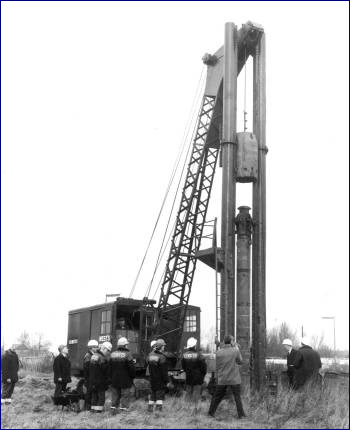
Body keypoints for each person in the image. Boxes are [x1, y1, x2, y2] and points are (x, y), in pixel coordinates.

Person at [208, 335, 246, 419]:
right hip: (234, 379)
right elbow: (240, 362)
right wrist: (237, 348)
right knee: (237, 397)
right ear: (231, 341)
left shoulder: (218, 352)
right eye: (233, 340)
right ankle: (241, 415)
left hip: (222, 379)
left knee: (217, 397)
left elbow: (217, 366)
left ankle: (210, 413)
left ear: (224, 342)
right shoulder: (235, 351)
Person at [110, 337, 136, 414]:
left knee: (115, 395)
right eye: (127, 345)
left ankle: (113, 410)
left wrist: (110, 377)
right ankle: (124, 411)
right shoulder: (128, 354)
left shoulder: (113, 354)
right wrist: (133, 376)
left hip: (114, 379)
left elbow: (109, 367)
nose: (127, 346)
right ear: (125, 345)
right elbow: (131, 368)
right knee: (125, 395)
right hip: (125, 379)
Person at [181, 337, 207, 409]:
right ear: (195, 345)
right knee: (196, 393)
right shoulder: (199, 356)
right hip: (198, 378)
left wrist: (188, 372)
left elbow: (183, 367)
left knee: (188, 393)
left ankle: (187, 408)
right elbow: (204, 368)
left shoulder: (184, 355)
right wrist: (202, 375)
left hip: (189, 377)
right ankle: (194, 409)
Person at [88, 341, 112, 413]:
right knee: (101, 398)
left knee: (94, 397)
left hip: (93, 381)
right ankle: (98, 413)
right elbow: (105, 371)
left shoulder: (94, 355)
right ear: (104, 348)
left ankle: (93, 411)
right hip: (100, 381)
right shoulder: (102, 358)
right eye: (108, 350)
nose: (108, 352)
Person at [147, 338, 169, 412]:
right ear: (160, 347)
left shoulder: (150, 355)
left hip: (152, 379)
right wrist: (167, 380)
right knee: (159, 396)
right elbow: (164, 371)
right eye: (163, 346)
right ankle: (158, 412)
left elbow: (147, 364)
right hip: (160, 380)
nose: (164, 347)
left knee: (152, 395)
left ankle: (149, 409)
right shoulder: (162, 357)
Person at [83, 339, 99, 410]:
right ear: (91, 347)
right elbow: (87, 369)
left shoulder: (93, 355)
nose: (97, 348)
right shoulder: (88, 356)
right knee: (89, 394)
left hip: (92, 378)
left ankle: (92, 408)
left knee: (92, 394)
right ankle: (87, 408)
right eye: (96, 347)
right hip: (89, 378)